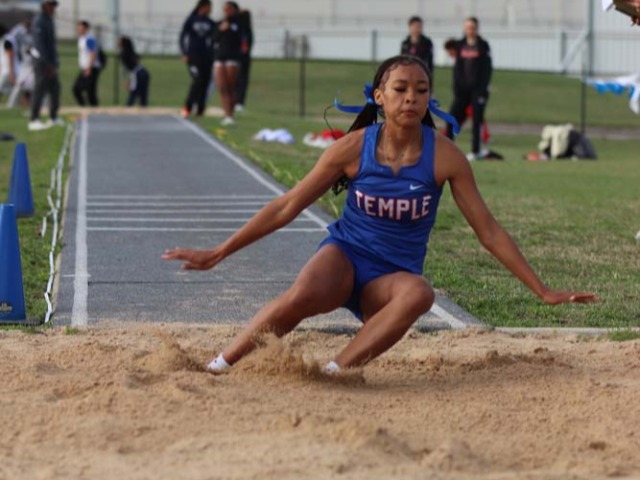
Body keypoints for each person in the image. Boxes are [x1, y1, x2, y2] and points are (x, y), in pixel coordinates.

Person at [163, 55, 597, 374]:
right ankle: (220, 364)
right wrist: (219, 252)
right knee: (302, 294)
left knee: (420, 293)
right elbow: (287, 206)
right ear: (379, 97)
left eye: (421, 91)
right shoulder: (352, 149)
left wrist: (541, 290)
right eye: (401, 89)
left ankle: (335, 372)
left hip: (389, 282)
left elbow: (488, 231)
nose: (411, 98)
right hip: (344, 258)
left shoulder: (446, 157)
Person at [446, 17, 492, 161]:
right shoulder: (460, 45)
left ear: (477, 29)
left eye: (472, 27)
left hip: (478, 91)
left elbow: (487, 69)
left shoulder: (483, 46)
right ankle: (447, 149)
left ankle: (475, 150)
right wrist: (456, 87)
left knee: (477, 121)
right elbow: (457, 68)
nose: (470, 30)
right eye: (467, 27)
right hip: (462, 91)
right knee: (452, 117)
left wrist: (483, 89)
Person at [29, 0, 62, 132]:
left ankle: (53, 118)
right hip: (41, 62)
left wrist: (54, 63)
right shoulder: (39, 21)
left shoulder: (49, 20)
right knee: (39, 90)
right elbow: (40, 45)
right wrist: (48, 64)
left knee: (55, 90)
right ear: (44, 5)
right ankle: (34, 119)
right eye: (51, 5)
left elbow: (52, 44)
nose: (53, 7)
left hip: (50, 63)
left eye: (54, 5)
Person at [180, 0, 216, 118]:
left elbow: (215, 37)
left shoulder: (210, 22)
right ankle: (187, 107)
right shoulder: (191, 20)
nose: (210, 10)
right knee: (197, 80)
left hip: (206, 56)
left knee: (205, 82)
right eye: (209, 7)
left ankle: (200, 110)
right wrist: (184, 52)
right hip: (193, 55)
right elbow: (182, 36)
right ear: (203, 7)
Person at [214, 1, 243, 126]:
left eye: (229, 9)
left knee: (230, 87)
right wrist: (221, 30)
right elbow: (214, 38)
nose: (227, 12)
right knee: (222, 87)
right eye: (225, 10)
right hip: (220, 56)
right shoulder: (220, 23)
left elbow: (240, 38)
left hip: (232, 57)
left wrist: (229, 29)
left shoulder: (239, 24)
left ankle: (230, 114)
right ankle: (225, 114)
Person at [72, 20, 102, 107]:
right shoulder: (82, 39)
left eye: (81, 28)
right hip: (86, 68)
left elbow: (93, 53)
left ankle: (89, 108)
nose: (79, 30)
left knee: (79, 89)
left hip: (91, 68)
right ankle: (91, 108)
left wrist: (89, 68)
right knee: (89, 91)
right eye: (79, 28)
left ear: (86, 29)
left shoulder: (89, 39)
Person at [118, 36, 150, 107]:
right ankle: (143, 107)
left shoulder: (124, 54)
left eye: (119, 41)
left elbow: (127, 69)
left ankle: (128, 109)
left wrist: (128, 81)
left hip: (137, 74)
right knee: (143, 95)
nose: (117, 42)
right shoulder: (131, 52)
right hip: (144, 72)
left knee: (133, 93)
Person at [400, 16, 433, 82]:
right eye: (415, 26)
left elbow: (429, 61)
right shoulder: (405, 43)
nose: (417, 29)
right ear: (410, 27)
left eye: (419, 26)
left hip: (421, 74)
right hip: (407, 74)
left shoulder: (427, 43)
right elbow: (401, 60)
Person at [234, 8, 253, 112]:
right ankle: (237, 101)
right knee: (238, 81)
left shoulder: (244, 30)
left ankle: (239, 102)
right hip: (240, 58)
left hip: (241, 58)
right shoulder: (244, 29)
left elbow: (245, 46)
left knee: (240, 80)